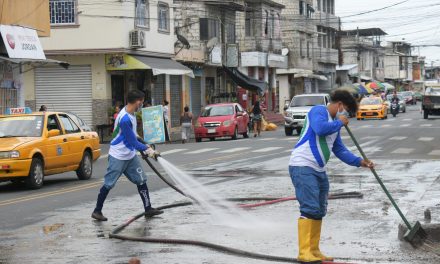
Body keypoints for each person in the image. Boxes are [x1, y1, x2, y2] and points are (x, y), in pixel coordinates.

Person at [289, 89, 374, 263]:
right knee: (309, 207)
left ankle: (314, 250)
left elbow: (340, 149)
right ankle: (303, 252)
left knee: (319, 209)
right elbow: (319, 129)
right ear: (340, 105)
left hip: (318, 170)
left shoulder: (335, 124)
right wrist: (339, 123)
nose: (346, 116)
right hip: (303, 166)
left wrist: (360, 161)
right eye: (347, 112)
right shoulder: (319, 111)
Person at [91, 90, 163, 221]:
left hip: (130, 156)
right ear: (137, 101)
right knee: (109, 184)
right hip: (118, 156)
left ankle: (148, 209)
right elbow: (132, 141)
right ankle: (97, 211)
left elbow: (133, 135)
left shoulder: (131, 113)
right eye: (141, 101)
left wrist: (145, 144)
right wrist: (148, 151)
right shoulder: (124, 119)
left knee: (141, 180)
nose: (142, 104)